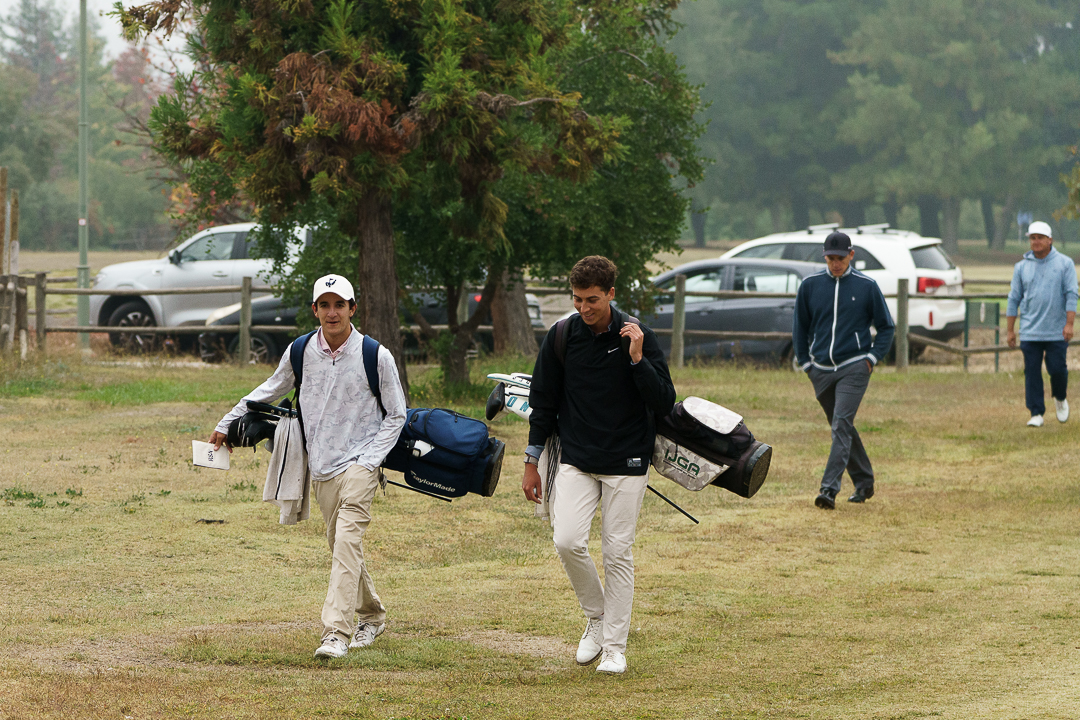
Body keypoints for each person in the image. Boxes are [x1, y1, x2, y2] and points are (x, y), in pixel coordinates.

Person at [208, 274, 407, 659]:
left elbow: (397, 415)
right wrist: (226, 422)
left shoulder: (376, 355)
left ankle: (336, 634)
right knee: (340, 545)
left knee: (346, 540)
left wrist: (370, 460)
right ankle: (373, 615)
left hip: (362, 464)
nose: (333, 313)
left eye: (340, 305)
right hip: (322, 467)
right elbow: (269, 390)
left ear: (353, 308)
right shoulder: (300, 351)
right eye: (325, 305)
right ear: (315, 310)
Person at [522, 255, 676, 675]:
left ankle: (614, 648)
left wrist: (637, 359)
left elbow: (664, 400)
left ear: (610, 294)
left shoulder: (638, 336)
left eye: (592, 300)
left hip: (628, 461)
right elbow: (543, 403)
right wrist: (532, 461)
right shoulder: (561, 335)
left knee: (617, 551)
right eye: (577, 299)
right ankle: (597, 616)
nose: (583, 307)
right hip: (576, 458)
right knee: (566, 540)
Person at [793, 231, 895, 510]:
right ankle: (864, 482)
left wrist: (871, 358)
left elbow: (886, 327)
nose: (835, 263)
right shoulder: (810, 286)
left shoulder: (867, 286)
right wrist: (806, 363)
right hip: (820, 370)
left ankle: (828, 490)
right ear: (824, 257)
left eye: (840, 258)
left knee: (840, 425)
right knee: (843, 427)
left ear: (851, 255)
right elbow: (800, 327)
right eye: (830, 259)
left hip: (855, 366)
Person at [1006, 220, 1078, 427]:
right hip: (1030, 330)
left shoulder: (1065, 264)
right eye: (1032, 238)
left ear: (1050, 240)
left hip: (1056, 330)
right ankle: (1036, 412)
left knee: (1057, 369)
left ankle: (1060, 397)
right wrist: (1010, 330)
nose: (1036, 242)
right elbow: (1013, 298)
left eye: (1040, 238)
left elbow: (1071, 295)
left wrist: (1069, 324)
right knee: (1032, 372)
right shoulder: (1021, 267)